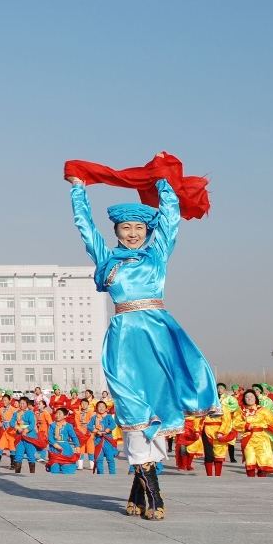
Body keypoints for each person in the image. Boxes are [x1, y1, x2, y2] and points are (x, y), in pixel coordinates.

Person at [68, 171, 218, 520]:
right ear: (117, 232)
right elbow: (84, 226)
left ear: (146, 232)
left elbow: (170, 221)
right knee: (133, 413)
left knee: (158, 412)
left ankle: (139, 491)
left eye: (138, 228)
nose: (133, 233)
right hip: (123, 340)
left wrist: (165, 184)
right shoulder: (106, 258)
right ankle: (156, 494)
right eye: (126, 228)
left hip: (159, 337)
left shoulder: (157, 255)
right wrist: (78, 189)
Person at [234, 389, 273, 478]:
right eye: (247, 397)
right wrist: (246, 426)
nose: (249, 399)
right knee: (250, 460)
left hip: (262, 438)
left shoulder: (263, 410)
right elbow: (235, 423)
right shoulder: (240, 411)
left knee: (263, 461)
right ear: (244, 399)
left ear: (255, 398)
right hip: (248, 438)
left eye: (251, 396)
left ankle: (262, 482)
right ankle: (251, 481)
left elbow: (272, 420)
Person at [87, 401, 118, 475]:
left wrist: (107, 431)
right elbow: (89, 426)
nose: (101, 408)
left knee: (110, 458)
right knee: (99, 459)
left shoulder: (108, 416)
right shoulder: (94, 417)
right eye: (99, 407)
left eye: (103, 407)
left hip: (107, 439)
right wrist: (96, 431)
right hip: (98, 439)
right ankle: (100, 474)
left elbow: (113, 424)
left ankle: (112, 474)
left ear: (106, 408)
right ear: (96, 408)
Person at [46, 408, 80, 474]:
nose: (57, 415)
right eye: (56, 413)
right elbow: (50, 437)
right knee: (54, 467)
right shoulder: (52, 425)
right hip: (54, 449)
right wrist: (55, 445)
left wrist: (77, 446)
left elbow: (74, 437)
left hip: (65, 448)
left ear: (65, 416)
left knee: (66, 466)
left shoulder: (68, 426)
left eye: (60, 414)